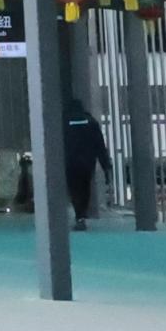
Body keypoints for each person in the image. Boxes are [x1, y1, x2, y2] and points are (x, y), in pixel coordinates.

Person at [60, 95, 111, 231]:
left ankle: (79, 214)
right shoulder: (91, 122)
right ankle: (82, 214)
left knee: (74, 189)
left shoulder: (64, 122)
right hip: (87, 162)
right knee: (85, 188)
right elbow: (100, 145)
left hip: (70, 162)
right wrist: (105, 165)